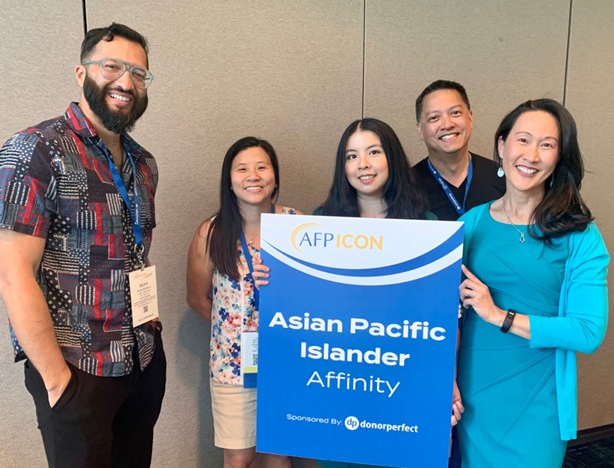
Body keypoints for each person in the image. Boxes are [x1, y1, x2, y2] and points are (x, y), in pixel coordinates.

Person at [0, 23, 165, 468]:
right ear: (80, 72)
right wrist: (56, 380)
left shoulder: (144, 164)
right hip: (78, 368)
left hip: (142, 358)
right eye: (112, 66)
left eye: (139, 73)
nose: (126, 81)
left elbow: (133, 253)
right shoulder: (34, 150)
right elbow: (14, 277)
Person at [253, 118, 461, 468]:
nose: (362, 164)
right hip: (339, 383)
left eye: (373, 152)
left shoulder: (427, 227)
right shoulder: (321, 222)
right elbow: (302, 308)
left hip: (401, 383)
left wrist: (447, 377)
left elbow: (443, 318)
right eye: (351, 156)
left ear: (391, 158)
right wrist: (273, 282)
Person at [456, 98, 609, 467]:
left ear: (559, 158)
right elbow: (442, 311)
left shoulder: (580, 235)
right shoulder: (471, 223)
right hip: (475, 391)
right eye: (523, 140)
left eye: (547, 145)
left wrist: (499, 316)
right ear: (501, 146)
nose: (532, 155)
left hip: (538, 397)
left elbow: (587, 332)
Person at [186, 136, 300, 468]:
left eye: (262, 167)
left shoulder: (296, 225)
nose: (253, 175)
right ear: (229, 179)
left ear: (274, 175)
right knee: (239, 457)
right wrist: (234, 334)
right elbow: (196, 298)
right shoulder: (212, 232)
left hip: (288, 358)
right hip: (233, 366)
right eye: (242, 169)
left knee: (279, 452)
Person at [413, 80, 505, 221]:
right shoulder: (406, 185)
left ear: (470, 118)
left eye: (455, 113)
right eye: (434, 117)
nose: (447, 124)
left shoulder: (502, 178)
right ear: (420, 130)